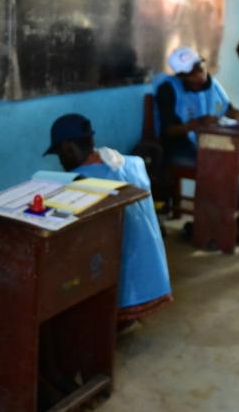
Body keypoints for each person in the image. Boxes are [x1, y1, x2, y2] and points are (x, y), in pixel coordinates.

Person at [44, 114, 172, 324]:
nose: (61, 162)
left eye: (59, 155)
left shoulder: (81, 182)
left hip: (125, 287)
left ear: (68, 147)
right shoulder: (134, 163)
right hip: (154, 278)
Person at [154, 46, 239, 167]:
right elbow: (167, 131)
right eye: (191, 72)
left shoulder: (212, 83)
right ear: (181, 76)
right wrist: (198, 123)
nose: (199, 74)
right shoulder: (168, 89)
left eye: (200, 67)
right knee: (220, 161)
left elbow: (227, 110)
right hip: (182, 145)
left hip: (212, 141)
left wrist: (237, 115)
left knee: (237, 155)